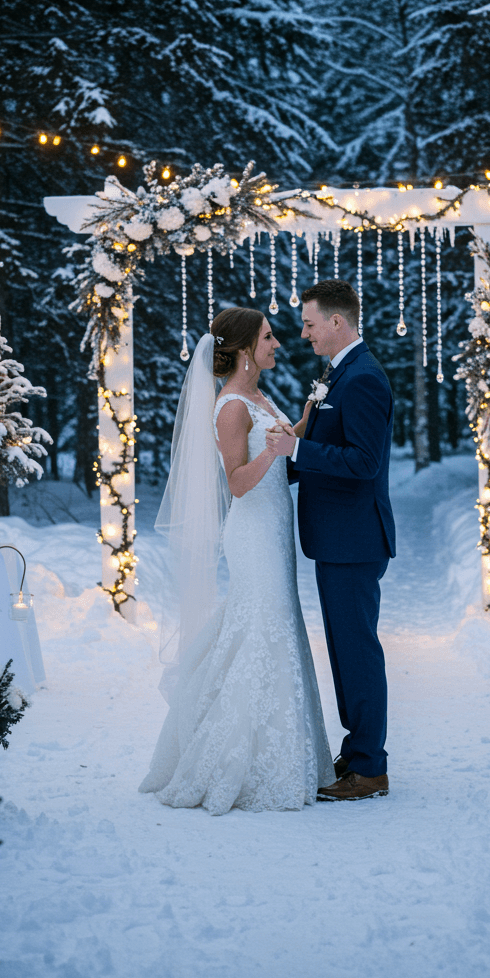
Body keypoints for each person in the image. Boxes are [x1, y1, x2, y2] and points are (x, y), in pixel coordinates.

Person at [139, 307, 334, 815]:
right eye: (268, 338)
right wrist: (275, 452)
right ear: (246, 348)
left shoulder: (257, 395)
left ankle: (282, 753)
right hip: (252, 532)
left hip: (275, 530)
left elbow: (278, 439)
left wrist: (309, 413)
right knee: (258, 629)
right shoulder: (230, 406)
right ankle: (231, 762)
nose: (278, 344)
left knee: (274, 626)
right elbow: (238, 483)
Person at [267, 279, 395, 802]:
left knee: (357, 652)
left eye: (311, 324)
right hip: (338, 538)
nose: (304, 334)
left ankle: (369, 768)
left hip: (354, 539)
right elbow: (328, 447)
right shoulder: (340, 373)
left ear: (337, 323)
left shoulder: (362, 379)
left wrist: (296, 453)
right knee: (345, 652)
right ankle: (358, 750)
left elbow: (364, 463)